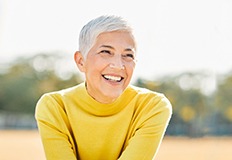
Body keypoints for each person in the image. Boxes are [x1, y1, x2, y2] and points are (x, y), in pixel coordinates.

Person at [35, 15, 172, 160]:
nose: (118, 65)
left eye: (128, 55)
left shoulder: (151, 106)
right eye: (106, 52)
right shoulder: (55, 106)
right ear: (81, 61)